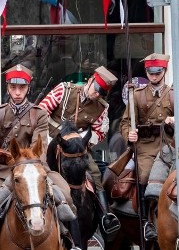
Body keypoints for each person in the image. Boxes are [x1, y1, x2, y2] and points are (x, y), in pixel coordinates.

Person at [0, 64, 82, 250]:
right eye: (13, 87)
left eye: (21, 88)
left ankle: (72, 249)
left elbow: (39, 147)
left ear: (28, 89)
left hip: (36, 170)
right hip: (4, 171)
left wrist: (31, 168)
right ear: (8, 88)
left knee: (66, 196)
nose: (17, 92)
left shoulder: (39, 114)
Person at [38, 66, 120, 237]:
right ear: (90, 80)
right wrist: (46, 140)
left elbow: (99, 132)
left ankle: (105, 215)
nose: (97, 94)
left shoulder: (102, 107)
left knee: (96, 172)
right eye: (97, 89)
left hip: (77, 148)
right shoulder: (64, 90)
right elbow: (41, 112)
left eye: (102, 93)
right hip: (50, 141)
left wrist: (81, 141)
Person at [121, 54, 176, 242]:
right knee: (144, 175)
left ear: (164, 72)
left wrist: (175, 120)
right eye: (150, 73)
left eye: (157, 73)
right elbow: (125, 122)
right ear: (146, 72)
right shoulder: (136, 94)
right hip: (145, 145)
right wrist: (129, 134)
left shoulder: (174, 94)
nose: (154, 76)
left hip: (168, 144)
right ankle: (146, 222)